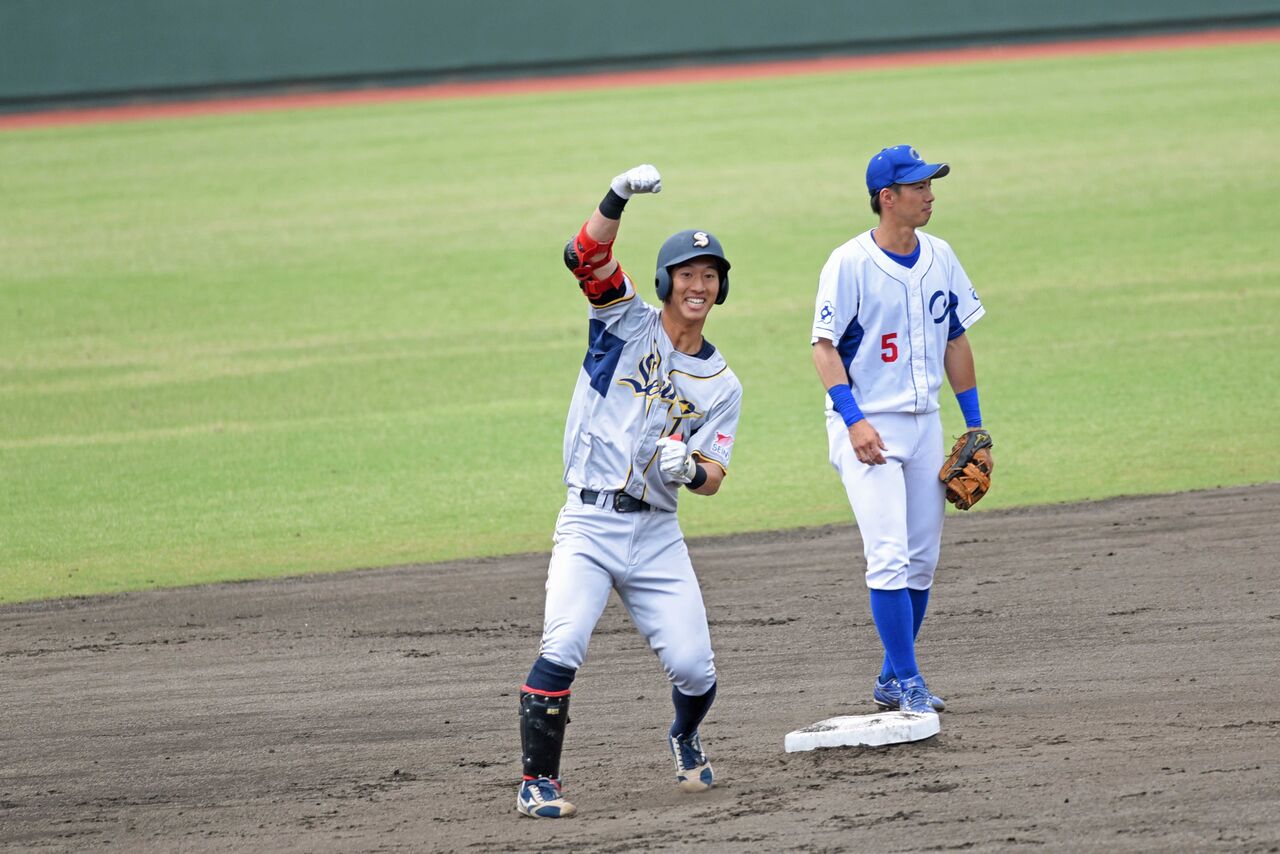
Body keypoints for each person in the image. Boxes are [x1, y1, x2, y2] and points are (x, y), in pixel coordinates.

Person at [516, 164, 743, 819]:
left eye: (710, 275)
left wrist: (689, 471)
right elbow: (584, 255)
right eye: (687, 274)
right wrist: (617, 194)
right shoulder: (622, 322)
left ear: (721, 288)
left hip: (656, 535)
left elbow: (715, 476)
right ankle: (537, 783)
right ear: (665, 282)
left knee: (696, 669)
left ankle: (684, 735)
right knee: (562, 646)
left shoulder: (723, 384)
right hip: (588, 524)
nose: (698, 285)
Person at [810, 145, 990, 716]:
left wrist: (975, 426)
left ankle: (892, 678)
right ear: (888, 198)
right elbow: (824, 348)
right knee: (888, 555)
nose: (930, 195)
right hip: (867, 424)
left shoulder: (941, 255)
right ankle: (910, 682)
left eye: (930, 185)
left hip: (925, 423)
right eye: (919, 187)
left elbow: (956, 339)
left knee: (921, 559)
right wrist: (853, 419)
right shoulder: (849, 262)